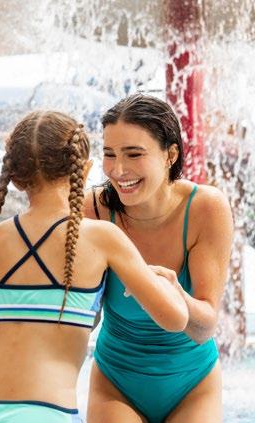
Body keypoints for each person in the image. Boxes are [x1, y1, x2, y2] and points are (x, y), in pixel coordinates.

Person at [0, 111, 189, 422]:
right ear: (84, 171)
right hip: (49, 413)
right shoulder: (103, 237)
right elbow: (176, 319)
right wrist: (165, 282)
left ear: (15, 177)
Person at [84, 94, 234, 423]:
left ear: (170, 154)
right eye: (109, 154)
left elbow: (205, 328)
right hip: (116, 382)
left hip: (193, 383)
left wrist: (177, 295)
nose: (118, 170)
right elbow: (84, 321)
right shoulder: (92, 210)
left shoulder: (206, 208)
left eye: (134, 154)